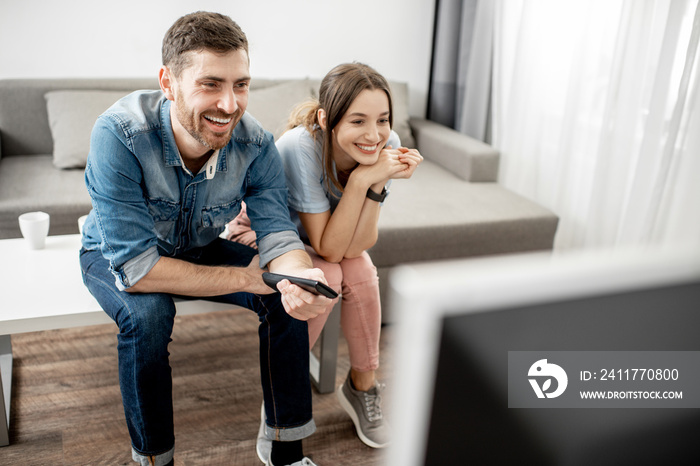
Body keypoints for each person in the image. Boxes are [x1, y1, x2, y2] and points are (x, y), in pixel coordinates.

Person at [79, 11, 329, 466]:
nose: (230, 104)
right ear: (168, 82)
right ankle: (155, 459)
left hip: (195, 244)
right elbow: (138, 270)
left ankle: (285, 452)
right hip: (114, 252)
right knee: (149, 315)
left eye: (241, 84)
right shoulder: (119, 135)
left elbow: (278, 235)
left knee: (283, 293)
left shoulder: (256, 145)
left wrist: (295, 276)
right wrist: (254, 279)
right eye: (211, 84)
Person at [229, 63, 422, 452]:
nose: (374, 134)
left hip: (317, 243)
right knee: (327, 274)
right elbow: (331, 249)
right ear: (326, 119)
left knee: (362, 270)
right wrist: (368, 179)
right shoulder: (302, 147)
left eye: (383, 119)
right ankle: (284, 399)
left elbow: (357, 244)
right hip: (260, 235)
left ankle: (362, 385)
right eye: (358, 121)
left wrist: (374, 178)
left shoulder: (386, 143)